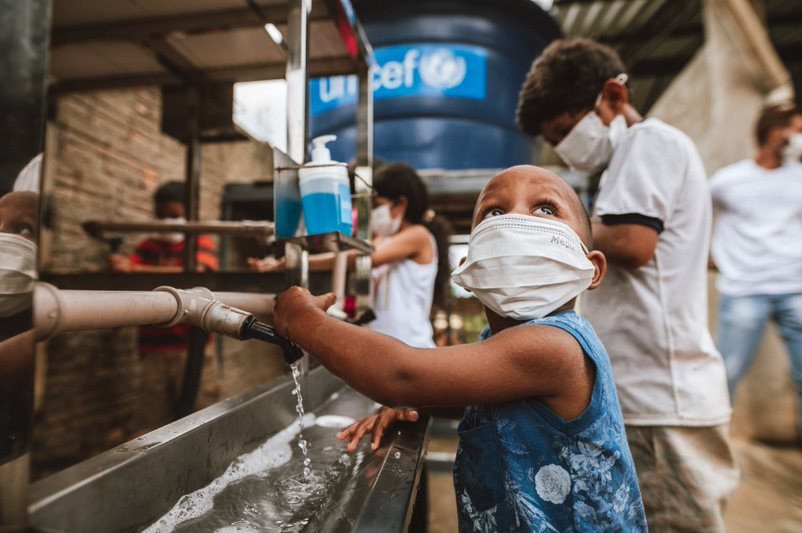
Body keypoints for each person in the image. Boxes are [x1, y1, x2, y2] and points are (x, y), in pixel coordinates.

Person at [272, 165, 647, 531]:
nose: (513, 220)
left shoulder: (555, 346)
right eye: (494, 212)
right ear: (469, 268)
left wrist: (302, 320)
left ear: (592, 267)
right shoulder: (498, 344)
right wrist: (421, 402)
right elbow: (492, 403)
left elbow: (400, 375)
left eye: (546, 209)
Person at [516, 38, 736, 530]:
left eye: (567, 129)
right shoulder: (621, 167)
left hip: (662, 400)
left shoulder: (648, 142)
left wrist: (541, 225)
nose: (565, 147)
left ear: (613, 97)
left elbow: (634, 243)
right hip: (647, 394)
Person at [251, 162, 450, 349]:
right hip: (386, 347)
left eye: (376, 205)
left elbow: (359, 259)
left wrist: (290, 262)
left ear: (400, 204)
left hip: (413, 346)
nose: (372, 213)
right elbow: (351, 258)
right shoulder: (384, 239)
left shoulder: (419, 235)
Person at [709, 104, 802, 439]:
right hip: (744, 289)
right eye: (798, 130)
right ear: (775, 134)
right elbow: (693, 217)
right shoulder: (729, 180)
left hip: (797, 290)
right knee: (727, 374)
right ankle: (714, 448)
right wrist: (708, 255)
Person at [109, 181, 218, 430]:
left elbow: (199, 271)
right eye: (161, 216)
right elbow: (128, 270)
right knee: (151, 423)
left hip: (191, 349)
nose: (167, 222)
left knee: (200, 420)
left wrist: (136, 269)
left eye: (174, 216)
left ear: (189, 213)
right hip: (153, 350)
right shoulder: (148, 248)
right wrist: (121, 266)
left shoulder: (199, 243)